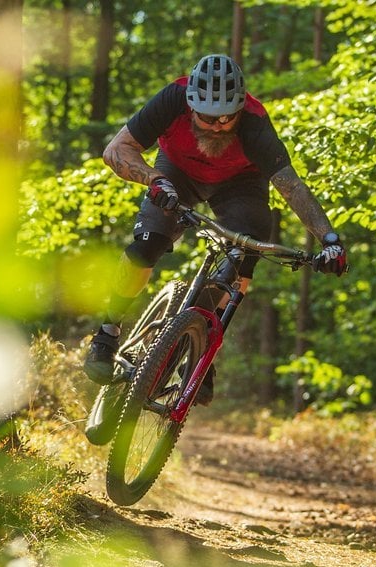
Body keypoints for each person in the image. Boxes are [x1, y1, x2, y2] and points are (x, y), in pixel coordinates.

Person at [85, 54, 347, 404]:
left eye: (228, 118)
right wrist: (155, 180)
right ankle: (107, 332)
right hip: (176, 172)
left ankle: (199, 344)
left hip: (240, 184)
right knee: (145, 247)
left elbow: (291, 186)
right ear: (191, 105)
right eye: (208, 118)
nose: (219, 126)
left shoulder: (254, 123)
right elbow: (116, 150)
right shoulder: (171, 99)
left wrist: (329, 240)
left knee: (245, 256)